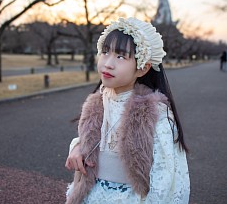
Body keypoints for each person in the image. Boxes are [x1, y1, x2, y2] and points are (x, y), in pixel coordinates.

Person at [65, 17, 190, 204]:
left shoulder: (153, 113)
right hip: (91, 194)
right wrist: (78, 147)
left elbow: (165, 178)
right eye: (105, 52)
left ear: (143, 68)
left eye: (121, 56)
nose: (108, 63)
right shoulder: (97, 102)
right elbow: (96, 142)